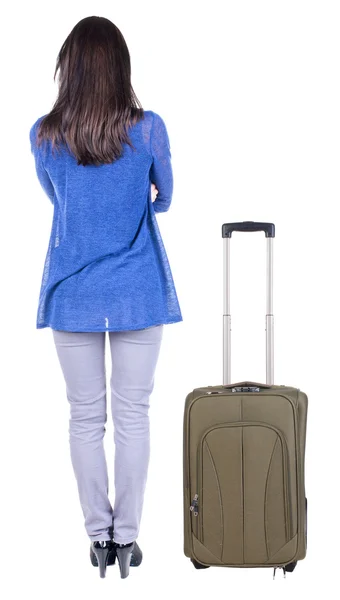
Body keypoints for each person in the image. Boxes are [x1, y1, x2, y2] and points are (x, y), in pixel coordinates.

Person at [29, 15, 183, 580]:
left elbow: (57, 199)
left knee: (85, 417)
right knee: (133, 416)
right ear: (120, 67)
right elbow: (165, 197)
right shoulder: (148, 130)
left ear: (67, 70)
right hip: (137, 290)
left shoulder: (44, 136)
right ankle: (128, 541)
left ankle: (98, 539)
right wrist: (135, 195)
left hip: (73, 294)